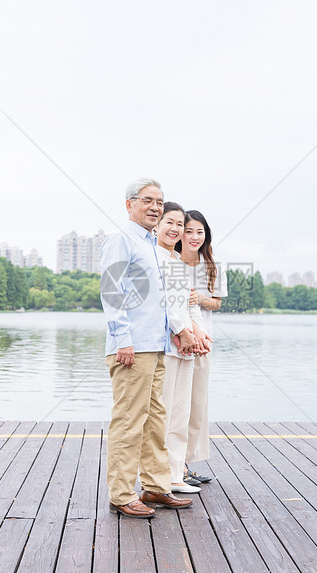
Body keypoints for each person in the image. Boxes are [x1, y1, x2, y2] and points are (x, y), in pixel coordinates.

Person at [99, 178, 194, 519]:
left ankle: (155, 485)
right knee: (129, 420)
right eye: (148, 200)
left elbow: (161, 301)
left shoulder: (154, 246)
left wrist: (176, 331)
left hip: (155, 346)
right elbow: (112, 293)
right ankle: (121, 494)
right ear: (130, 204)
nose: (155, 207)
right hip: (131, 347)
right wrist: (123, 338)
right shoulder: (121, 240)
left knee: (156, 419)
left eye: (160, 201)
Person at [155, 201, 207, 494]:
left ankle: (175, 475)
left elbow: (187, 303)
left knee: (180, 413)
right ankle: (158, 478)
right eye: (170, 223)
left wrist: (198, 333)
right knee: (162, 414)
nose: (175, 229)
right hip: (168, 347)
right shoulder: (154, 258)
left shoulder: (176, 263)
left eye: (179, 225)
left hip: (185, 347)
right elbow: (167, 307)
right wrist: (183, 332)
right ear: (158, 225)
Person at [175, 209, 227, 484]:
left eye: (200, 231)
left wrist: (198, 299)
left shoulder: (212, 264)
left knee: (196, 403)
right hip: (176, 341)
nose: (194, 237)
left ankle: (185, 463)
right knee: (175, 405)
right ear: (179, 233)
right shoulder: (170, 260)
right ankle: (175, 466)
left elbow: (217, 303)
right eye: (189, 230)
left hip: (203, 342)